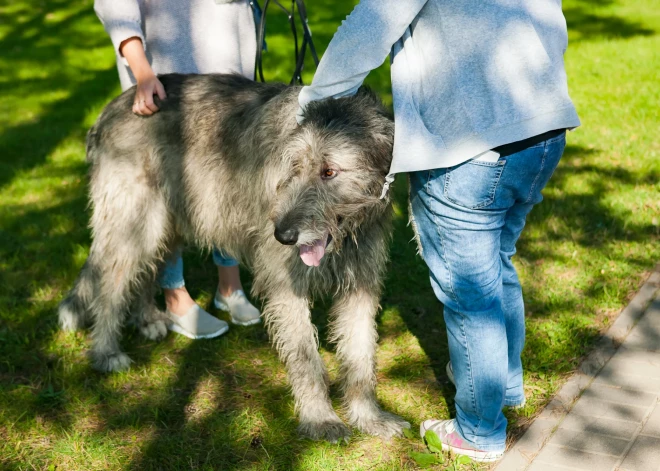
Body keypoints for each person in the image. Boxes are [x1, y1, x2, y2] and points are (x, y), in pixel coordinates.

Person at [296, 0, 579, 462]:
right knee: (497, 263)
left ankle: (478, 432)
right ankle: (503, 384)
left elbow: (371, 23)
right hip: (543, 130)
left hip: (469, 145)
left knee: (470, 293)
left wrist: (315, 97)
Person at [95, 0, 261, 339]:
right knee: (164, 198)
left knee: (225, 183)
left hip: (229, 75)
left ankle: (229, 287)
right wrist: (141, 70)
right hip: (166, 79)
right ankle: (175, 296)